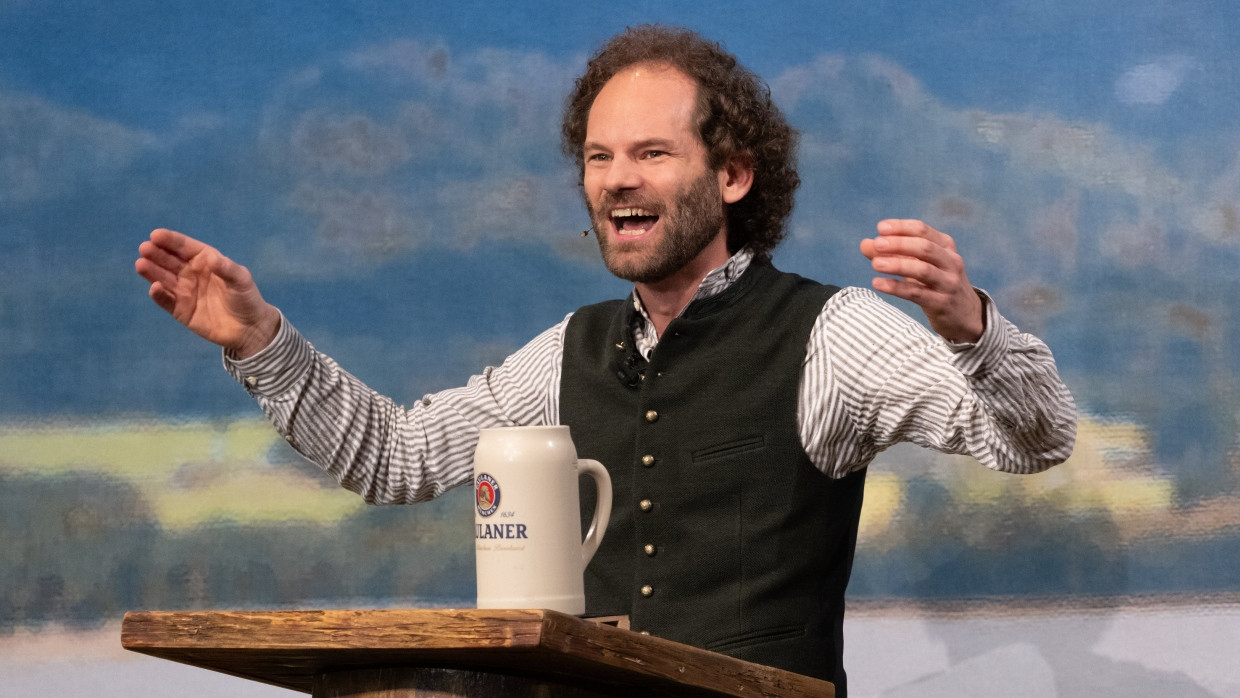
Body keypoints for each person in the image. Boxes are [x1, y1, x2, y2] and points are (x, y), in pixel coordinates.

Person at [135, 25, 1075, 696]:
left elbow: (1035, 441)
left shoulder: (835, 336)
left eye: (652, 153)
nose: (617, 177)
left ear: (733, 175)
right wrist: (262, 344)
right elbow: (398, 454)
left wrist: (971, 326)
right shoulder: (565, 353)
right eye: (598, 156)